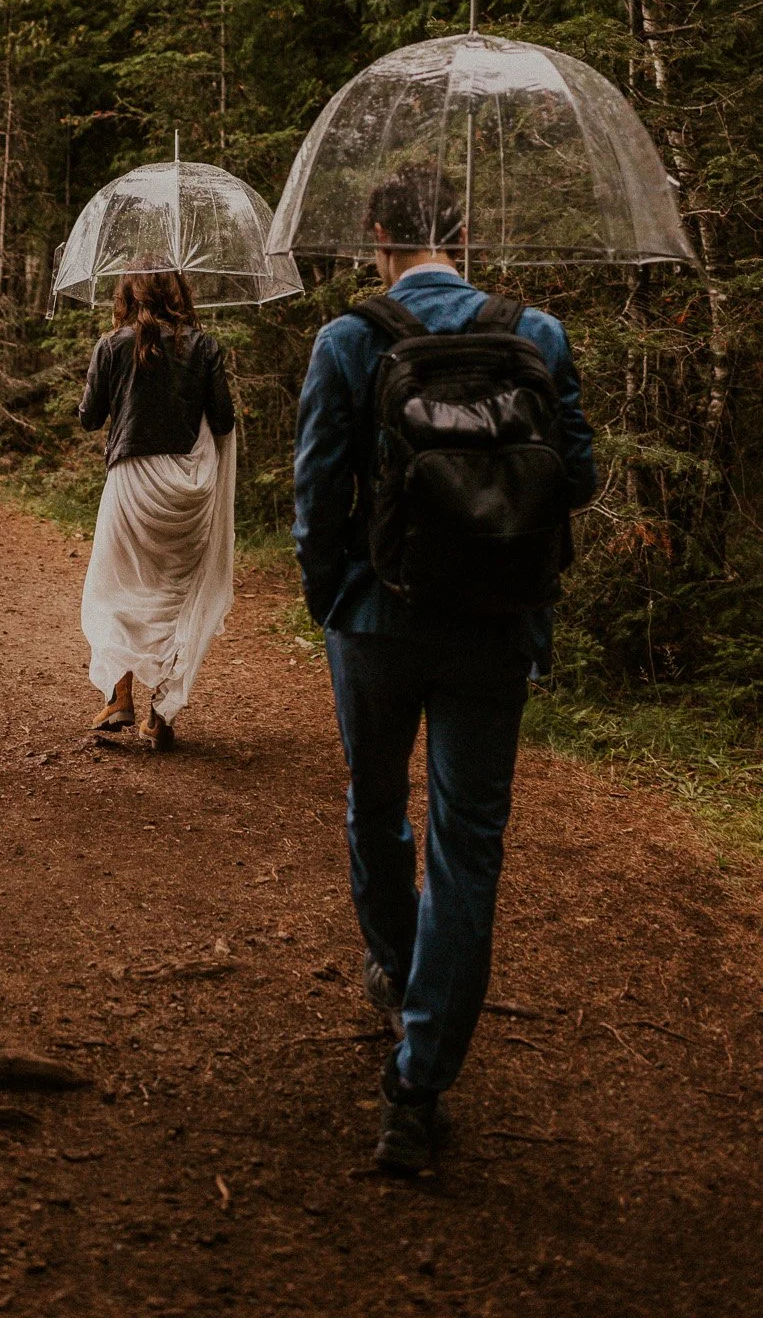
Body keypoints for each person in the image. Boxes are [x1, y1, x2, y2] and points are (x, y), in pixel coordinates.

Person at [293, 165, 597, 1172]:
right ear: (460, 232)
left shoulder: (348, 338)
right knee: (468, 846)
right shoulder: (537, 334)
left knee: (375, 804)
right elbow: (580, 476)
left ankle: (393, 963)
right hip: (497, 627)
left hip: (376, 621)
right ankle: (416, 1090)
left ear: (379, 233)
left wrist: (333, 597)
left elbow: (316, 486)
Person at [77, 269, 237, 750]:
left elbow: (89, 418)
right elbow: (224, 420)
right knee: (174, 598)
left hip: (131, 486)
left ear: (127, 296)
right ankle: (160, 715)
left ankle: (118, 696)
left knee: (115, 590)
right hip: (188, 493)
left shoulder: (111, 346)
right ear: (179, 297)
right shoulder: (204, 347)